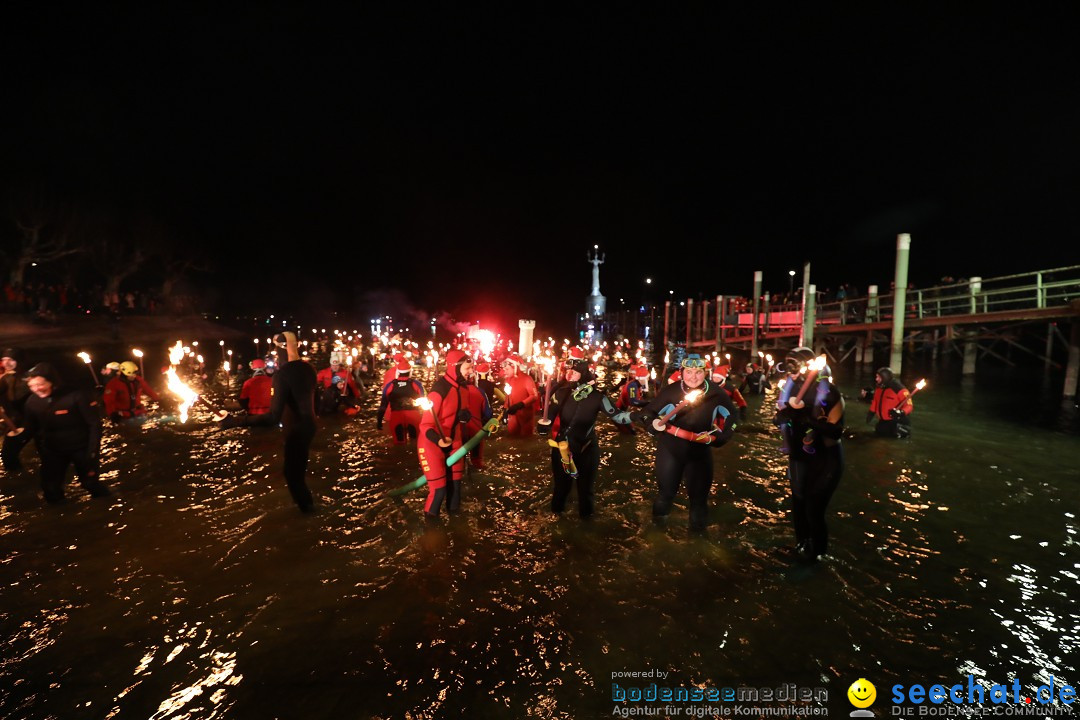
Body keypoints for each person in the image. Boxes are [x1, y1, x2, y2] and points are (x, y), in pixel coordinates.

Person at [633, 354, 736, 532]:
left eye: (698, 372)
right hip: (670, 450)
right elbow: (648, 411)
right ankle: (657, 536)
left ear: (706, 373)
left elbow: (733, 418)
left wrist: (723, 437)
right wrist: (650, 423)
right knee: (665, 495)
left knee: (699, 501)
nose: (693, 377)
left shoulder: (716, 393)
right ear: (681, 372)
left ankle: (697, 544)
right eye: (689, 372)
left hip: (700, 453)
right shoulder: (671, 391)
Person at [541, 347, 633, 519]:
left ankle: (586, 526)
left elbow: (619, 417)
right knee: (561, 489)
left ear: (583, 374)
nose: (569, 375)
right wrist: (543, 426)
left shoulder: (598, 397)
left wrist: (643, 415)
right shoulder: (561, 393)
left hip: (587, 449)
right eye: (568, 371)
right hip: (562, 449)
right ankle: (556, 525)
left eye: (574, 372)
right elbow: (549, 416)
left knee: (586, 492)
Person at [773, 347, 845, 560]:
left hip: (826, 460)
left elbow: (837, 430)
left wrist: (807, 419)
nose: (789, 368)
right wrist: (781, 416)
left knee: (814, 507)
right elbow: (780, 418)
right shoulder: (790, 388)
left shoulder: (830, 392)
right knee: (798, 504)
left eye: (793, 363)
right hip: (798, 458)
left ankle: (818, 555)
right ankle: (802, 547)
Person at [416, 349, 492, 519]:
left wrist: (464, 415)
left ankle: (456, 528)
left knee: (456, 486)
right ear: (455, 367)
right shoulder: (439, 389)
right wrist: (438, 440)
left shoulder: (464, 389)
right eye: (467, 368)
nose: (471, 372)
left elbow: (461, 413)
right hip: (432, 444)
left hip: (455, 441)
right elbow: (425, 424)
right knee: (439, 490)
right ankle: (432, 534)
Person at [20, 363, 110, 504]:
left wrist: (92, 452)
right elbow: (31, 429)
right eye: (32, 386)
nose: (36, 389)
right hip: (53, 450)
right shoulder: (32, 402)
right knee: (50, 489)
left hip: (81, 447)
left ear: (51, 381)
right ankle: (61, 518)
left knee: (89, 483)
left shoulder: (77, 395)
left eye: (40, 384)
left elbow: (94, 424)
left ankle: (107, 506)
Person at [270, 332, 318, 512]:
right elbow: (317, 400)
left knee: (292, 476)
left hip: (295, 430)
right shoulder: (309, 369)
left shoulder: (282, 375)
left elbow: (273, 417)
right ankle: (308, 509)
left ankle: (309, 516)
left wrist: (235, 421)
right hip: (310, 426)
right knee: (297, 475)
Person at [376, 360, 425, 444]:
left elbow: (383, 405)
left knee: (399, 444)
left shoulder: (390, 385)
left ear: (398, 372)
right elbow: (424, 401)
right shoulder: (416, 384)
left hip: (396, 416)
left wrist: (379, 421)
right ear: (410, 372)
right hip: (414, 417)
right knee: (415, 443)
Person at [221, 358, 276, 429]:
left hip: (253, 415)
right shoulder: (273, 381)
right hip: (270, 415)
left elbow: (243, 401)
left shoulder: (248, 383)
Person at [1, 348, 32, 471]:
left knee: (47, 452)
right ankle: (18, 477)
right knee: (7, 455)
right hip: (16, 422)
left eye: (11, 360)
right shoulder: (5, 378)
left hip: (36, 421)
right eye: (4, 360)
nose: (7, 363)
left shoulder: (31, 377)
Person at [864, 367, 913, 438]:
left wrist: (901, 412)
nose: (876, 379)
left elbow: (909, 406)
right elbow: (875, 402)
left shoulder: (899, 389)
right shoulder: (879, 388)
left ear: (884, 377)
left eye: (878, 377)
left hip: (897, 423)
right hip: (883, 422)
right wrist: (871, 413)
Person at [500, 354, 538, 436]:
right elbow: (508, 396)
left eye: (507, 369)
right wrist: (505, 409)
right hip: (513, 414)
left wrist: (520, 405)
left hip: (525, 415)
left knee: (526, 438)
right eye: (504, 369)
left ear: (514, 367)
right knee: (512, 436)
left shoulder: (526, 379)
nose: (505, 371)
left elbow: (534, 396)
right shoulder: (508, 380)